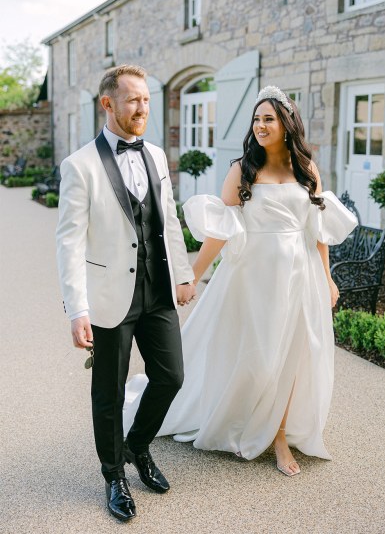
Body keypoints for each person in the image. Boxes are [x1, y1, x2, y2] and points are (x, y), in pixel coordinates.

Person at [123, 85, 358, 477]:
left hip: (299, 276)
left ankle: (279, 435)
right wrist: (191, 276)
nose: (261, 125)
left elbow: (318, 230)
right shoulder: (242, 169)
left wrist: (327, 278)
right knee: (257, 357)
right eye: (257, 119)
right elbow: (222, 231)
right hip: (251, 279)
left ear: (287, 123)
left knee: (292, 356)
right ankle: (237, 416)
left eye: (269, 118)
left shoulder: (307, 169)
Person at [56, 64, 196, 521]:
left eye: (147, 100)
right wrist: (77, 308)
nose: (142, 108)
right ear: (108, 103)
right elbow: (69, 242)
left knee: (171, 376)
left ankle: (138, 446)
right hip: (108, 295)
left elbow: (168, 219)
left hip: (157, 290)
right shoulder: (79, 166)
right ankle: (114, 474)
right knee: (109, 393)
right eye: (133, 99)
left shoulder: (155, 155)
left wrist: (182, 272)